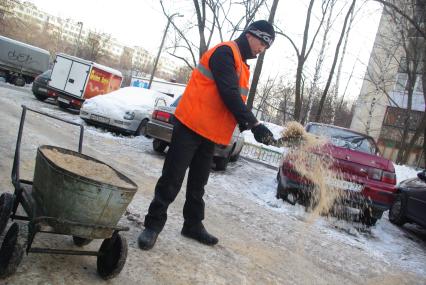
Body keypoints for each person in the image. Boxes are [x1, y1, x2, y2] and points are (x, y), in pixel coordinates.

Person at [138, 20, 276, 250]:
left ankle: (192, 225)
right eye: (262, 42)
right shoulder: (225, 52)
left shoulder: (241, 65)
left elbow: (231, 101)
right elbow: (228, 93)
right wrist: (254, 123)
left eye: (266, 46)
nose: (262, 49)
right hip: (190, 125)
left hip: (208, 132)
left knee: (198, 184)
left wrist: (249, 126)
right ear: (251, 34)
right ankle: (152, 225)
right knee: (172, 179)